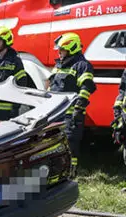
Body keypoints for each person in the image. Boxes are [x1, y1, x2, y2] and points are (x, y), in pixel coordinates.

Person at [47, 32, 96, 176]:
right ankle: (55, 171)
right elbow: (51, 87)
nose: (59, 53)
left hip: (71, 115)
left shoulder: (82, 66)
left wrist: (78, 108)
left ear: (72, 48)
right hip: (55, 113)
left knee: (70, 144)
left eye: (62, 50)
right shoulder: (59, 65)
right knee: (53, 143)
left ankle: (71, 172)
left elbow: (86, 87)